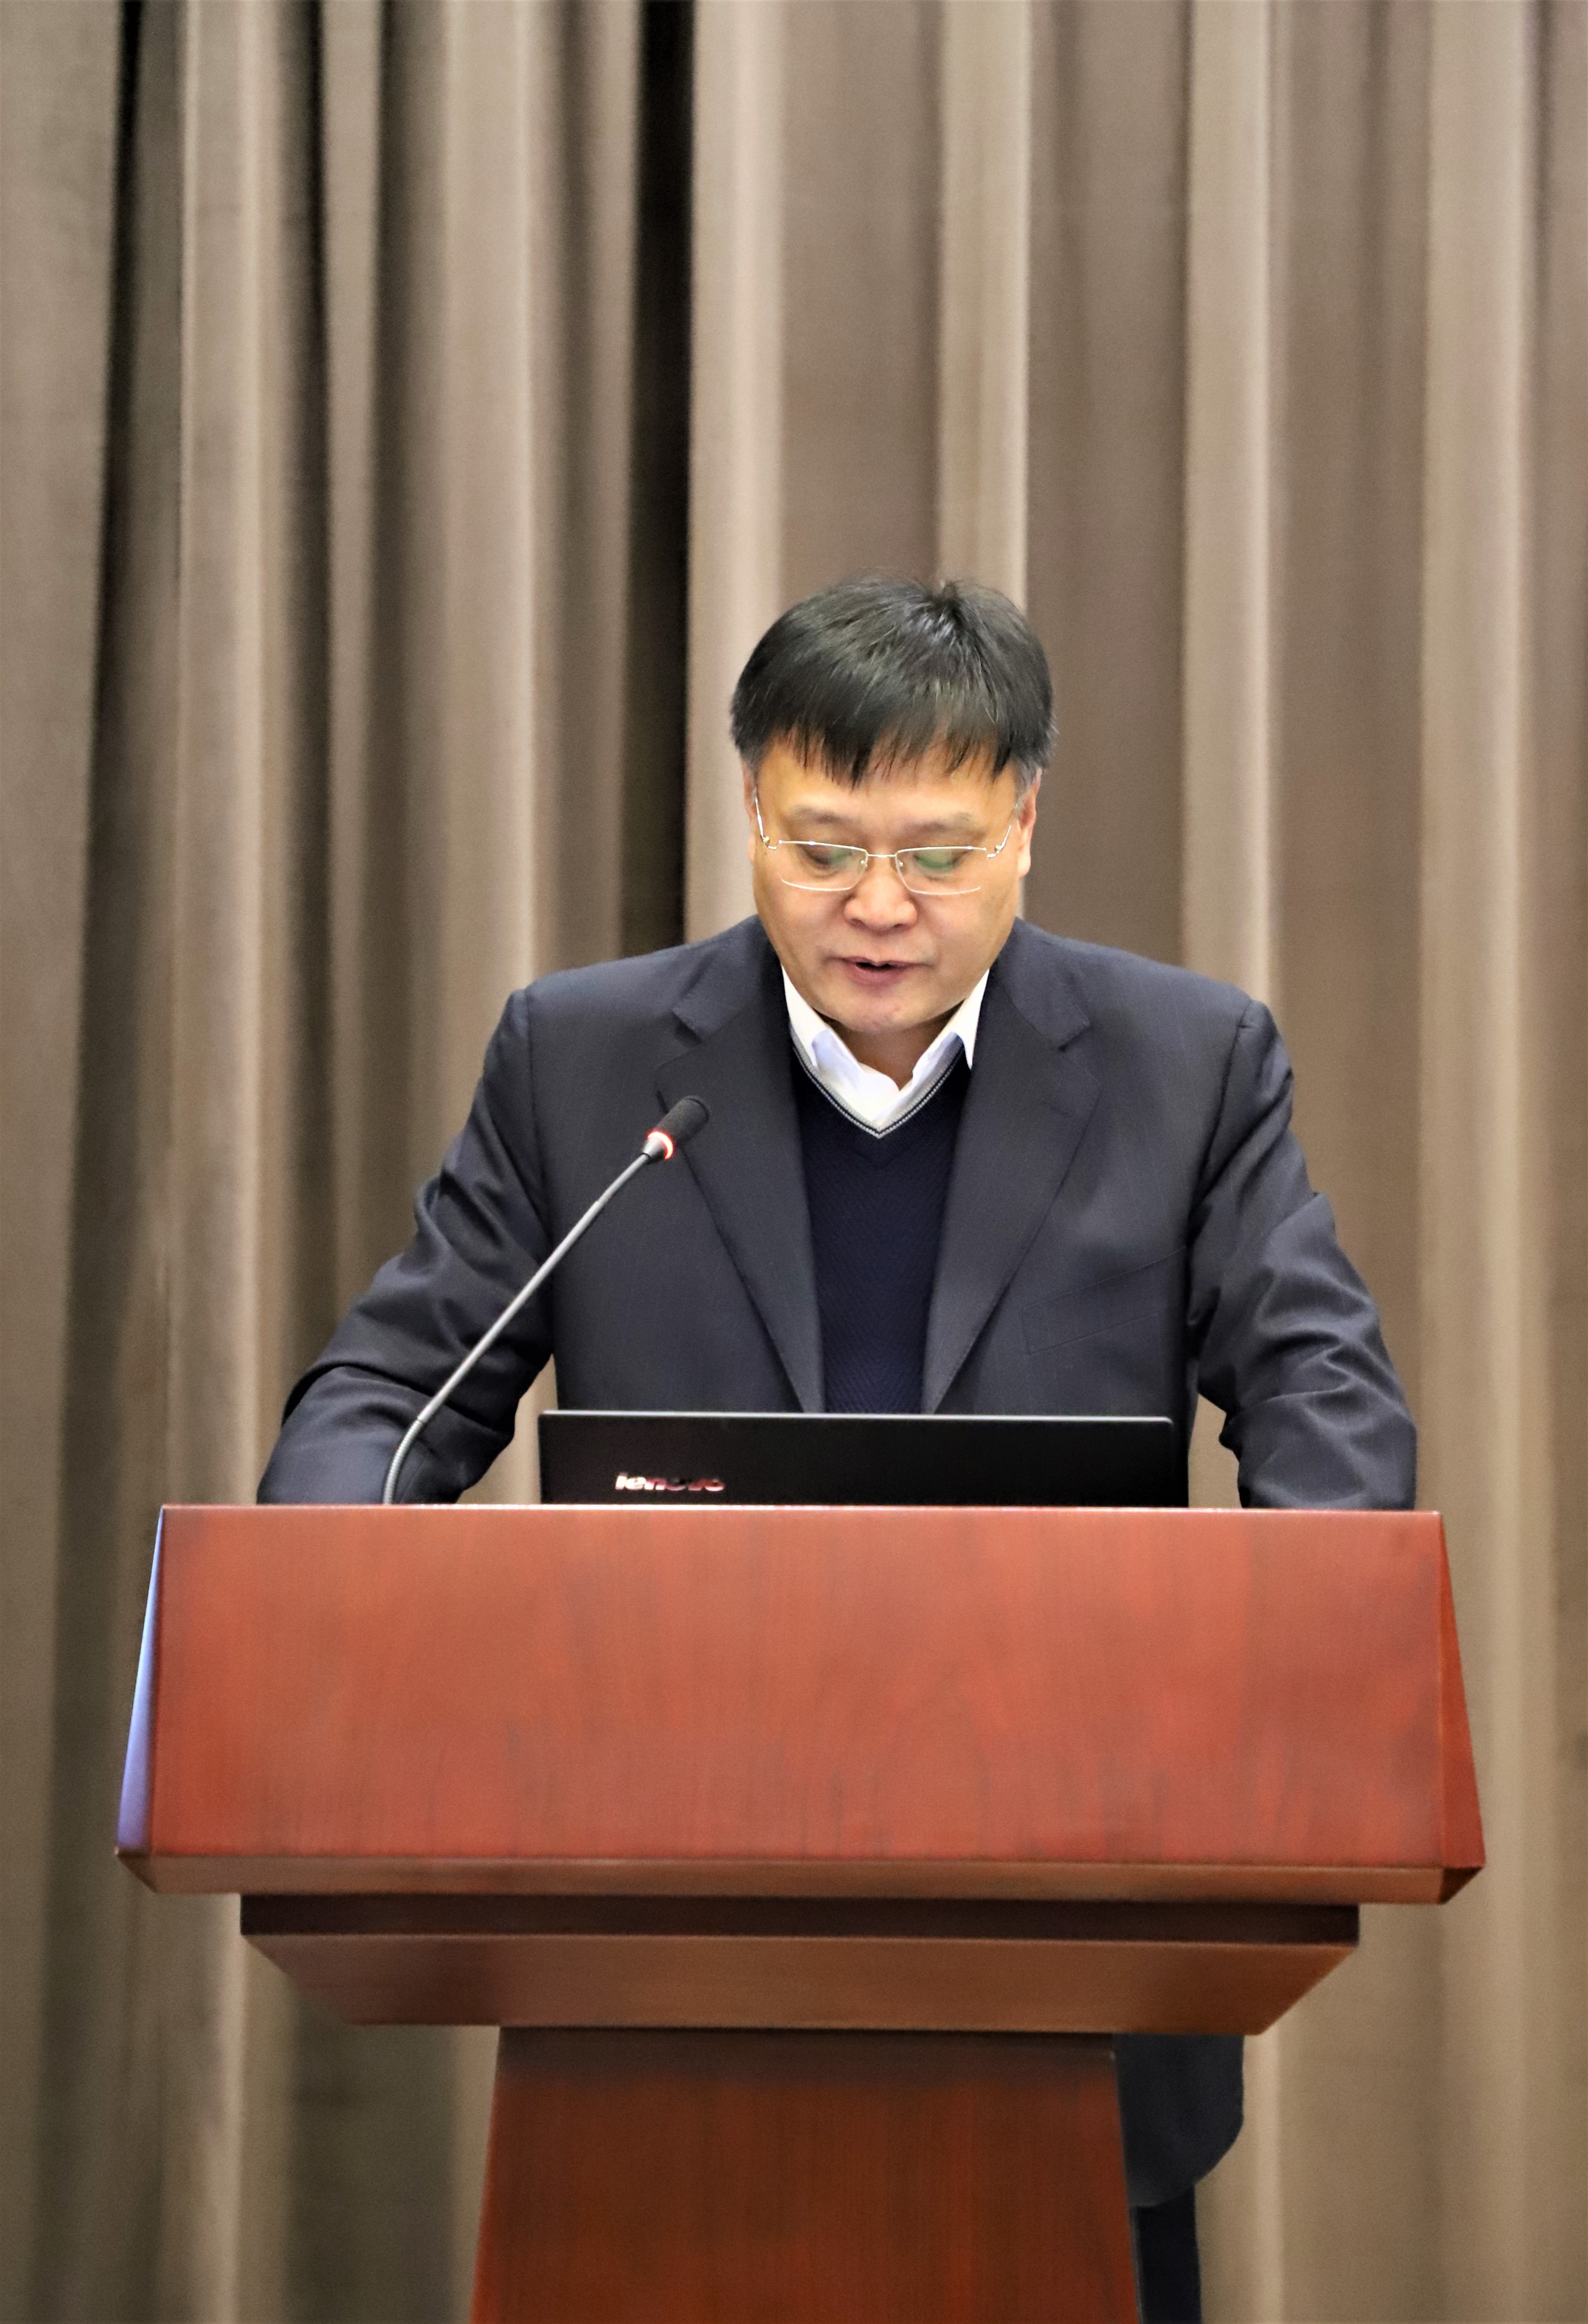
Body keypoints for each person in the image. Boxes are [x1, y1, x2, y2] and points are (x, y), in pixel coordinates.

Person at [261, 576, 1415, 2323]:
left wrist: (1297, 1652)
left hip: (1069, 1932)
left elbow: (1325, 1395)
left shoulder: (1188, 1068)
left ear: (1025, 825)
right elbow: (396, 1387)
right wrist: (322, 1597)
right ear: (750, 811)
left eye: (937, 853)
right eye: (823, 848)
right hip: (661, 1941)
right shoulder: (585, 1063)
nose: (878, 906)